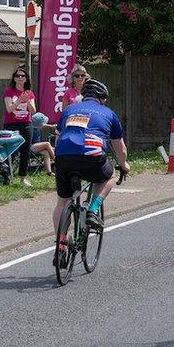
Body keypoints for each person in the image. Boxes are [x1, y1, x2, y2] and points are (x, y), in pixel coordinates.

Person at [52, 79, 129, 264]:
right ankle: (93, 210)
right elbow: (120, 149)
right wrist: (124, 165)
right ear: (102, 98)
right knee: (109, 176)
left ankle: (60, 245)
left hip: (63, 156)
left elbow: (58, 135)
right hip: (92, 156)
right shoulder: (109, 113)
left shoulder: (69, 109)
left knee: (62, 203)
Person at [4, 66, 37, 186]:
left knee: (25, 150)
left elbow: (33, 111)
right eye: (18, 76)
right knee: (11, 150)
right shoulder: (9, 91)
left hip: (26, 124)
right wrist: (18, 101)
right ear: (14, 78)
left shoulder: (30, 93)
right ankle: (7, 175)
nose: (20, 78)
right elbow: (9, 109)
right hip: (11, 124)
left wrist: (27, 100)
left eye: (23, 76)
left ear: (26, 79)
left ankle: (23, 177)